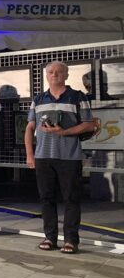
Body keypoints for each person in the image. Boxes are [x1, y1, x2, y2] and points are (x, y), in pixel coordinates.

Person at [26, 61, 95, 254]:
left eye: (59, 72)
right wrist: (30, 155)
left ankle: (71, 240)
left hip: (69, 157)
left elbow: (89, 124)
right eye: (51, 72)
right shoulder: (38, 99)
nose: (54, 74)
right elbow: (30, 128)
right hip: (43, 156)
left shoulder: (77, 97)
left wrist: (63, 132)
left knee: (71, 199)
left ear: (66, 75)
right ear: (46, 75)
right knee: (46, 198)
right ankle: (50, 238)